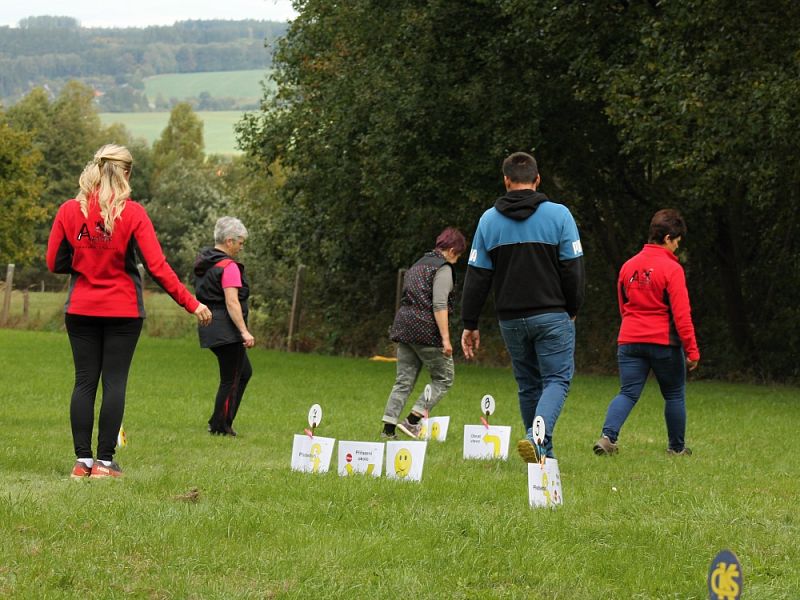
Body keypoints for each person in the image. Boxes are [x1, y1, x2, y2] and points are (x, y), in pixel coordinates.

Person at [46, 144, 212, 479]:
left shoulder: (69, 209)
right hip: (123, 310)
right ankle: (105, 464)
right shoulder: (133, 213)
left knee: (84, 382)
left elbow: (54, 262)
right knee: (115, 382)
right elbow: (158, 267)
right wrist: (191, 302)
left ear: (96, 167)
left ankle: (82, 464)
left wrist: (84, 263)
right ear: (128, 173)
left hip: (80, 309)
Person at [461, 151, 585, 463]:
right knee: (556, 379)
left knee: (528, 384)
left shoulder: (488, 220)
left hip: (511, 319)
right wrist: (573, 307)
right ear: (538, 178)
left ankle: (543, 454)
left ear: (506, 180)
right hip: (552, 313)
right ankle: (535, 437)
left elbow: (477, 277)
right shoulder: (559, 216)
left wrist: (469, 322)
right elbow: (573, 269)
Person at [593, 209, 700, 457]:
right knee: (674, 394)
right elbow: (682, 315)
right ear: (668, 238)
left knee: (628, 392)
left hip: (629, 340)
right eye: (677, 242)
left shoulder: (628, 266)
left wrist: (633, 329)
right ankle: (676, 448)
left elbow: (623, 305)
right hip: (663, 343)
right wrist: (692, 351)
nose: (677, 247)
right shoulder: (672, 269)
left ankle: (608, 438)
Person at [381, 227, 467, 439]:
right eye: (459, 254)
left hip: (404, 326)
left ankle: (388, 430)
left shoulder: (418, 264)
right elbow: (439, 304)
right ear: (453, 249)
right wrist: (446, 339)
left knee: (403, 380)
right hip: (426, 330)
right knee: (444, 378)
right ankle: (412, 421)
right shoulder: (443, 268)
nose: (457, 259)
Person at [193, 217, 255, 436]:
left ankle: (219, 420)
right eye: (240, 242)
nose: (241, 247)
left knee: (243, 372)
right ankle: (220, 426)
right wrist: (244, 331)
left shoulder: (205, 262)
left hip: (209, 325)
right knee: (232, 378)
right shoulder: (228, 266)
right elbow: (232, 301)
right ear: (229, 241)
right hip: (226, 328)